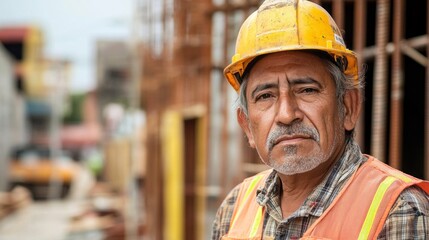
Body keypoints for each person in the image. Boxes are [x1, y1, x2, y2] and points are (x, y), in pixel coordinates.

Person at [212, 0, 429, 239]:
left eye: (307, 90)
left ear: (348, 107)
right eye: (265, 96)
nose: (286, 114)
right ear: (247, 126)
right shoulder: (234, 208)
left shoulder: (399, 210)